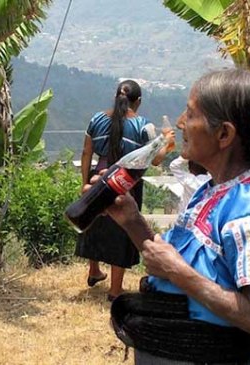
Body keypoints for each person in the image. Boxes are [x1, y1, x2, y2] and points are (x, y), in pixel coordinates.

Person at [90, 69, 250, 364]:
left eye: (190, 114)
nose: (180, 123)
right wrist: (131, 219)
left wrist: (178, 271)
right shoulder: (210, 191)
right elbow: (170, 264)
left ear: (224, 134)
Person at [76, 79, 162, 301]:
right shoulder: (144, 125)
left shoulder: (97, 119)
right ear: (139, 101)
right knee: (121, 231)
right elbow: (155, 160)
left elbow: (87, 152)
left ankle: (93, 270)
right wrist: (168, 142)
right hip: (125, 183)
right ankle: (115, 289)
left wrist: (84, 183)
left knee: (94, 222)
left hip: (98, 177)